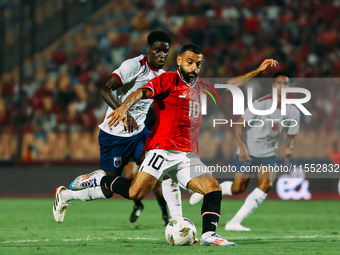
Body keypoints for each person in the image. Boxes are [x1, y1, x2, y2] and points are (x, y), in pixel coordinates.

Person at [98, 44, 278, 245]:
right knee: (135, 192)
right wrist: (124, 107)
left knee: (213, 189)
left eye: (198, 63)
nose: (194, 67)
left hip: (187, 155)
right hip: (162, 150)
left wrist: (258, 72)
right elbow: (141, 92)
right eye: (190, 62)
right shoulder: (167, 80)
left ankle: (209, 235)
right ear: (180, 61)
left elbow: (230, 86)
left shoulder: (202, 87)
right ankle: (102, 180)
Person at [53, 31, 182, 225]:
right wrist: (122, 112)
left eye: (165, 51)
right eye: (157, 50)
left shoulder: (162, 76)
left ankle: (176, 221)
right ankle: (67, 195)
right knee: (107, 192)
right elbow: (104, 88)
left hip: (139, 135)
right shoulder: (134, 66)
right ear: (148, 49)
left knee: (160, 169)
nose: (162, 55)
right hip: (113, 136)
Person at [189, 71, 300, 232]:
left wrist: (289, 148)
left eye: (286, 84)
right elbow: (239, 125)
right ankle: (209, 189)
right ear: (274, 86)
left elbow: (291, 135)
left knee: (266, 185)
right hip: (247, 150)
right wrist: (242, 148)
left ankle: (234, 222)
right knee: (238, 188)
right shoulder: (260, 104)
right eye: (280, 83)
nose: (283, 87)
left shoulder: (293, 111)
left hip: (268, 154)